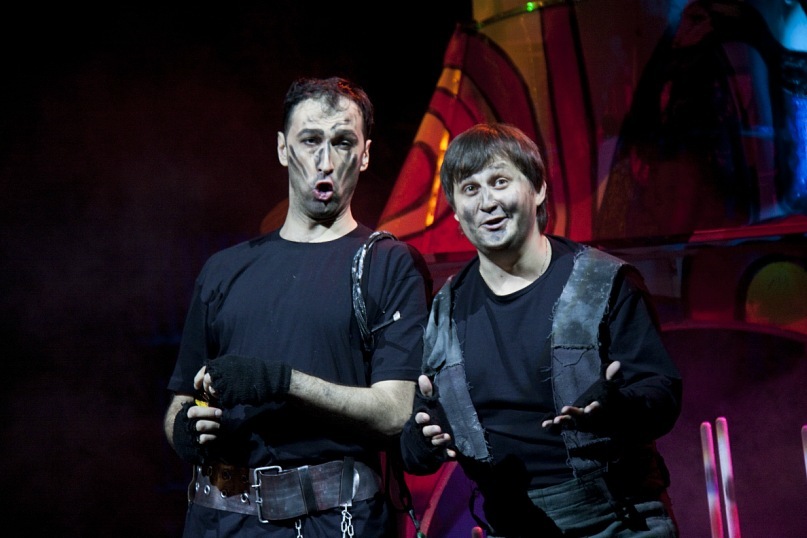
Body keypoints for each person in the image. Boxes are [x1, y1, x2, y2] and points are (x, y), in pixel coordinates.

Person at [163, 76, 432, 537]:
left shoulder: (388, 263)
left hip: (333, 520)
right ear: (283, 149)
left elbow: (395, 410)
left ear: (364, 154)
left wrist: (281, 382)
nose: (325, 161)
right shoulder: (224, 269)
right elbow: (180, 401)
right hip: (219, 519)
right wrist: (184, 430)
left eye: (342, 142)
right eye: (310, 141)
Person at [399, 123, 682, 537]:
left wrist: (619, 410)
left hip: (619, 519)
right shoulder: (444, 312)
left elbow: (662, 394)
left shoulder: (602, 283)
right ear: (456, 211)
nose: (488, 202)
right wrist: (425, 441)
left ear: (538, 188)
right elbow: (414, 451)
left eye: (500, 181)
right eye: (471, 189)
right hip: (512, 524)